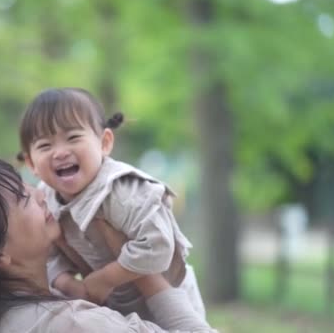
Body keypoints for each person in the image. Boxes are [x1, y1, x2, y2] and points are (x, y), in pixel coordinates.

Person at [0, 157, 216, 333]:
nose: (40, 192)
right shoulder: (72, 324)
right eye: (22, 198)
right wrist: (138, 267)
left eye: (25, 185)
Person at [18, 87, 207, 321]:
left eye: (73, 138)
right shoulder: (44, 198)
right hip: (117, 307)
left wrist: (105, 278)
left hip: (169, 297)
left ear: (104, 143)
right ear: (31, 163)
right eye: (45, 146)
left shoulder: (121, 189)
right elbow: (49, 251)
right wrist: (65, 282)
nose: (60, 153)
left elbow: (158, 245)